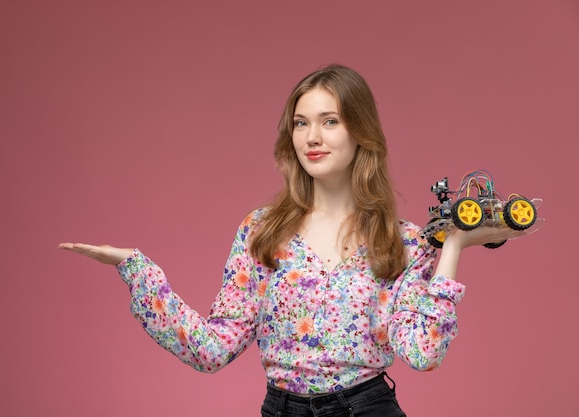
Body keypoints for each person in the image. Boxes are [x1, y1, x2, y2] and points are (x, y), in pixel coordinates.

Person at [59, 65, 529, 416]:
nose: (312, 137)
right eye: (301, 123)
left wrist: (452, 248)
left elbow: (422, 354)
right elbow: (211, 349)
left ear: (360, 133)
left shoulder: (401, 241)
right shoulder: (262, 231)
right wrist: (136, 271)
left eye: (330, 121)